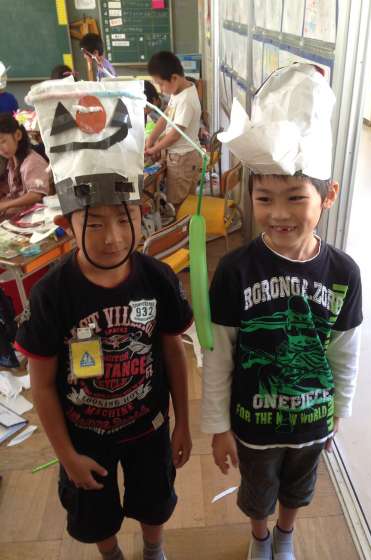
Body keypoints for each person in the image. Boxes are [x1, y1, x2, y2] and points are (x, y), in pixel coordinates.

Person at [16, 77, 192, 560]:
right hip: (83, 436)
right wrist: (65, 455)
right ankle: (112, 555)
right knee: (92, 511)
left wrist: (183, 422)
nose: (113, 237)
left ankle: (153, 551)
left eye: (124, 218)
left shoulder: (157, 279)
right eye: (94, 223)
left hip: (149, 427)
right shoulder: (52, 295)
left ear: (141, 213)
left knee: (155, 499)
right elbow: (42, 385)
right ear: (67, 226)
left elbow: (173, 351)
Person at [202, 64, 363, 560]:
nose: (278, 213)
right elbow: (219, 356)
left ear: (328, 196)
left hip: (312, 419)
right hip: (253, 421)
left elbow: (345, 350)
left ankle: (286, 535)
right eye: (264, 198)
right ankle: (260, 537)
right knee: (258, 492)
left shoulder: (343, 273)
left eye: (295, 198)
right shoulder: (235, 270)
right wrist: (219, 425)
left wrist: (339, 411)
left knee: (298, 488)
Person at [145, 51, 202, 209]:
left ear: (174, 78)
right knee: (184, 202)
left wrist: (155, 148)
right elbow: (165, 117)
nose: (161, 90)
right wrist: (151, 138)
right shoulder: (178, 91)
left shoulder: (186, 100)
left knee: (180, 204)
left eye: (161, 84)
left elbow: (175, 135)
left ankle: (184, 224)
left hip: (183, 158)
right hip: (180, 156)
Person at [0, 112, 50, 216]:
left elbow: (36, 195)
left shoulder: (32, 161)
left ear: (18, 135)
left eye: (2, 142)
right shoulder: (12, 162)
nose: (0, 149)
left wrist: (5, 205)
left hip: (40, 215)